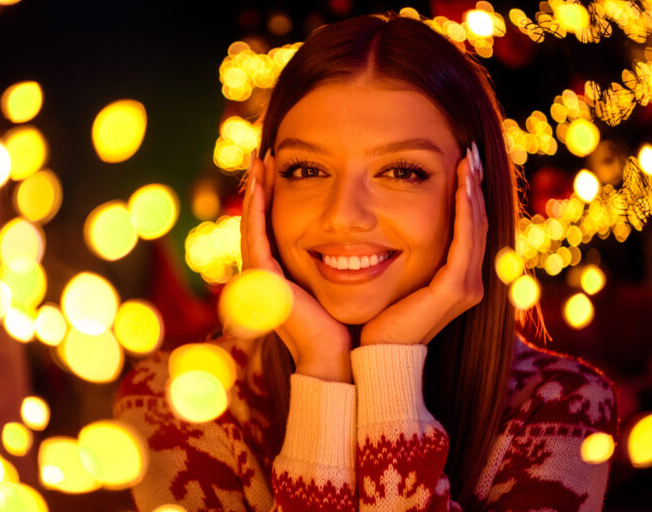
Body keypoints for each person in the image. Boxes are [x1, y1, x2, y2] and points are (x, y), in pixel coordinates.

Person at [115, 12, 618, 511]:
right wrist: (320, 368)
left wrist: (390, 366)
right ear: (263, 191)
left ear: (474, 195)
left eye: (401, 171)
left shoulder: (562, 407)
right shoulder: (177, 401)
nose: (343, 216)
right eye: (307, 169)